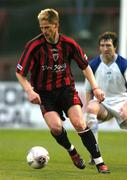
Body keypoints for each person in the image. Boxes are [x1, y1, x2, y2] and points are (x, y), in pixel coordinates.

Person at [16, 8, 110, 173]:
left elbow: (85, 66)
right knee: (56, 128)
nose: (44, 31)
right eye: (42, 27)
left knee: (80, 123)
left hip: (66, 90)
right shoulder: (34, 46)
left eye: (47, 27)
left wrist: (95, 87)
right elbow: (20, 72)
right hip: (45, 94)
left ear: (56, 25)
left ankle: (99, 162)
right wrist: (29, 91)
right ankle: (71, 151)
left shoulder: (69, 44)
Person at [85, 31, 127, 165]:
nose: (105, 48)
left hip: (122, 102)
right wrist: (86, 110)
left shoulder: (123, 64)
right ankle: (94, 154)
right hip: (103, 104)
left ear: (115, 47)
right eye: (102, 45)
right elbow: (88, 90)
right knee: (91, 108)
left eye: (108, 45)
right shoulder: (93, 65)